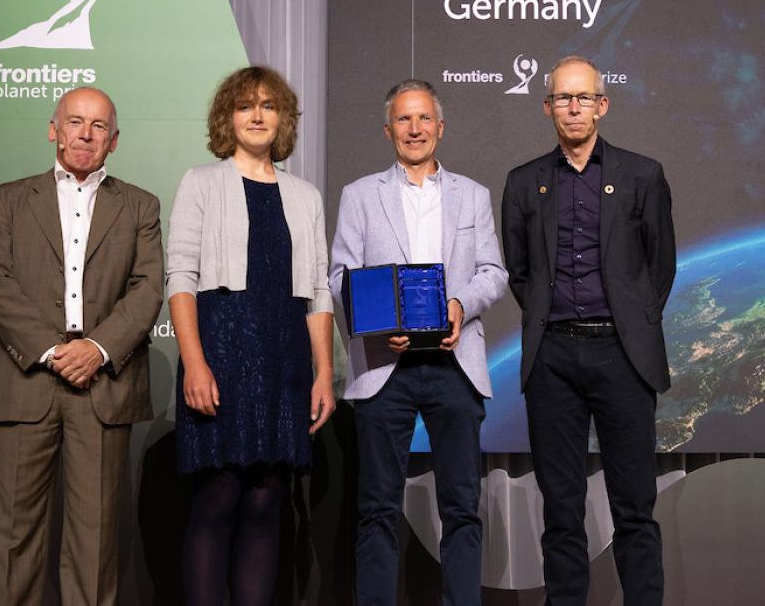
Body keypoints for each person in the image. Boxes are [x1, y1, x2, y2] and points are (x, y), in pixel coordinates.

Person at [0, 86, 163, 605]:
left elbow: (148, 287)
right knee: (13, 539)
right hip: (26, 381)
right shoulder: (7, 198)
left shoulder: (141, 205)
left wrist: (97, 349)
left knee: (95, 540)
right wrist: (51, 351)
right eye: (75, 122)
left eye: (99, 126)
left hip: (101, 386)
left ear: (115, 140)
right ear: (53, 128)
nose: (86, 133)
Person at [501, 56, 676, 606]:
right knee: (561, 508)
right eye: (562, 98)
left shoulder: (642, 174)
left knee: (634, 508)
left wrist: (630, 323)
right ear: (547, 106)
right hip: (552, 358)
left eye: (583, 98)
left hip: (623, 356)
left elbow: (659, 266)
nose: (572, 108)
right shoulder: (524, 182)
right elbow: (519, 273)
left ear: (603, 104)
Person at [330, 79, 508, 606]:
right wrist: (383, 323)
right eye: (404, 120)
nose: (415, 129)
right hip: (386, 365)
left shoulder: (472, 194)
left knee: (461, 507)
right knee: (377, 509)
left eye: (424, 119)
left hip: (455, 364)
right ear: (389, 131)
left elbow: (493, 272)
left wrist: (459, 305)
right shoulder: (360, 195)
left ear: (440, 127)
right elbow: (342, 274)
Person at [165, 66, 336, 605]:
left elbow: (317, 293)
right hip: (220, 354)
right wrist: (194, 363)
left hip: (284, 360)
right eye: (245, 106)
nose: (257, 115)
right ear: (227, 118)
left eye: (268, 106)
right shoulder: (201, 182)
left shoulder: (305, 195)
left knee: (266, 501)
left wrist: (324, 373)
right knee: (217, 498)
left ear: (282, 118)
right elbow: (181, 278)